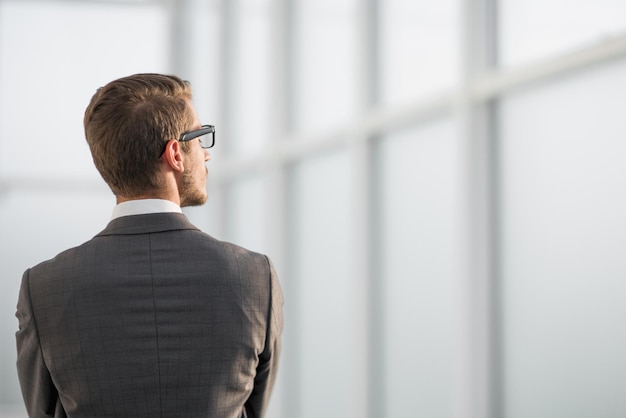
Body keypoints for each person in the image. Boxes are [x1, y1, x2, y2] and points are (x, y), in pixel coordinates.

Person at [15, 73, 283, 418]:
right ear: (175, 153)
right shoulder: (255, 277)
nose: (207, 156)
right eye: (201, 138)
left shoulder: (44, 287)